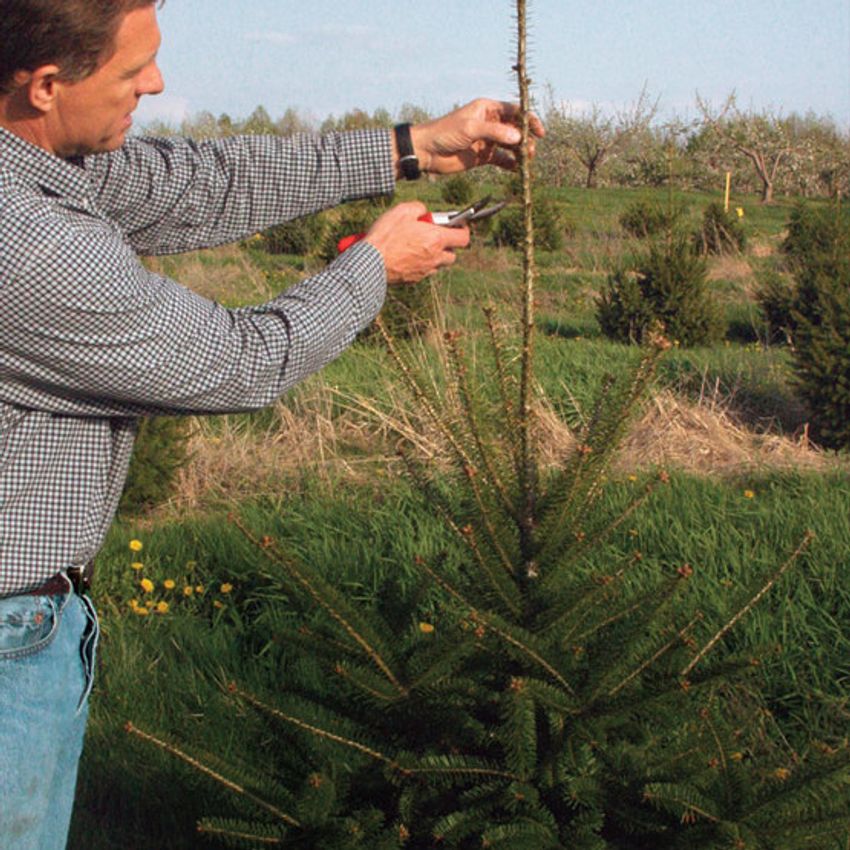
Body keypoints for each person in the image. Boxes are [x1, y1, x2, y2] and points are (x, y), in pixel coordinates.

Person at [0, 0, 544, 847]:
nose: (157, 82)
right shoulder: (30, 242)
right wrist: (373, 267)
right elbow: (238, 360)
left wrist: (412, 148)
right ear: (44, 85)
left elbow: (197, 182)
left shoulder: (31, 163)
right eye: (131, 70)